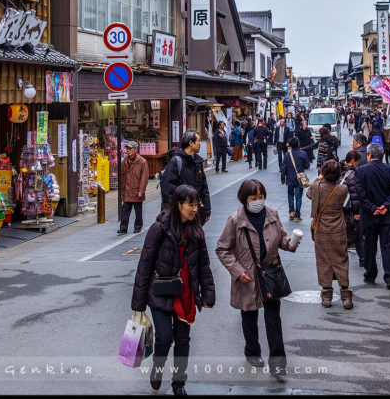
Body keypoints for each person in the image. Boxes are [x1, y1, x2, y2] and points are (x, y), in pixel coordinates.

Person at [132, 185, 216, 395]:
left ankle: (179, 383)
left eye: (197, 204)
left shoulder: (197, 232)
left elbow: (204, 265)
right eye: (190, 204)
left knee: (183, 340)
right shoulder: (159, 228)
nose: (195, 208)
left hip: (185, 294)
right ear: (178, 205)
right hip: (159, 291)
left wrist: (207, 293)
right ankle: (157, 371)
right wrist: (139, 303)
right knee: (164, 337)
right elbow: (145, 264)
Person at [215, 179, 298, 380]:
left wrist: (290, 243)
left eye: (261, 197)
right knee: (249, 316)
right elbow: (222, 248)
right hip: (247, 276)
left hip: (270, 273)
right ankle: (252, 351)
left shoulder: (272, 214)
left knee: (273, 318)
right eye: (253, 198)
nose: (258, 201)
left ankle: (278, 363)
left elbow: (281, 238)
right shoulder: (235, 220)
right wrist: (236, 270)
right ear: (244, 199)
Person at [354, 143, 390, 289]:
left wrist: (372, 207)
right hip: (386, 216)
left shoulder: (361, 170)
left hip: (369, 215)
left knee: (369, 245)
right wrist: (386, 206)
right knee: (388, 246)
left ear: (369, 155)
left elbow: (360, 192)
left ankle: (370, 273)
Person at [306, 160, 352, 309]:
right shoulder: (342, 189)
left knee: (324, 260)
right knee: (341, 260)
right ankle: (346, 295)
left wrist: (319, 177)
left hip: (322, 230)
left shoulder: (316, 187)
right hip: (338, 229)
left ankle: (326, 294)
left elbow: (308, 193)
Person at [160, 130, 212, 225]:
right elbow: (167, 190)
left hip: (196, 212)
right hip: (180, 214)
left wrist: (206, 209)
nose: (200, 144)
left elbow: (204, 188)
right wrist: (177, 210)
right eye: (198, 141)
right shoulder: (175, 162)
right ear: (191, 143)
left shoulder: (197, 162)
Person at [118, 141, 150, 234]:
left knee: (138, 210)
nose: (128, 150)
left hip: (136, 189)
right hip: (127, 189)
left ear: (135, 149)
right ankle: (123, 229)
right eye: (127, 149)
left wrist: (141, 190)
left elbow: (144, 178)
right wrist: (122, 189)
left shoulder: (142, 162)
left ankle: (138, 227)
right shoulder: (125, 161)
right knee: (125, 210)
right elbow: (122, 176)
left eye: (130, 149)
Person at [340, 150, 364, 266]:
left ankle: (340, 259)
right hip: (350, 209)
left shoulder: (339, 170)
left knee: (344, 233)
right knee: (358, 234)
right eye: (358, 161)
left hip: (340, 208)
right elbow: (354, 196)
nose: (359, 163)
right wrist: (356, 212)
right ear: (353, 161)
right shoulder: (353, 174)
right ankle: (363, 259)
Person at [281, 137, 310, 222]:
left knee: (290, 195)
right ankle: (297, 215)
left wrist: (283, 178)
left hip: (289, 179)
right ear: (298, 144)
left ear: (290, 145)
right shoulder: (303, 153)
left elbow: (284, 168)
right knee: (298, 197)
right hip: (299, 179)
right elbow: (307, 165)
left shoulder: (287, 155)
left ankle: (291, 212)